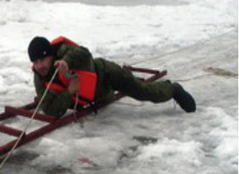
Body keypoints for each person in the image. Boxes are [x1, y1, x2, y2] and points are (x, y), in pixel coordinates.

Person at [27, 36, 196, 119]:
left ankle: (173, 89)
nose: (39, 65)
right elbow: (50, 110)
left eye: (43, 59)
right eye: (35, 62)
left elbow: (85, 54)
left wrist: (66, 61)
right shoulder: (39, 78)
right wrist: (69, 91)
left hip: (108, 75)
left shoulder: (63, 51)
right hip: (95, 95)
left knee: (143, 92)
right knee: (105, 96)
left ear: (50, 55)